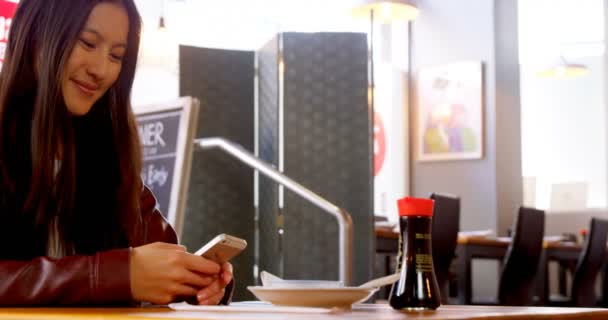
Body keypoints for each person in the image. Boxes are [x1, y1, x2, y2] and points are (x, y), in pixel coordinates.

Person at [0, 0, 233, 306]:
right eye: (87, 43)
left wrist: (202, 283)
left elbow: (161, 260)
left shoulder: (108, 159)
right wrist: (117, 275)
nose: (101, 69)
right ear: (36, 36)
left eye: (116, 56)